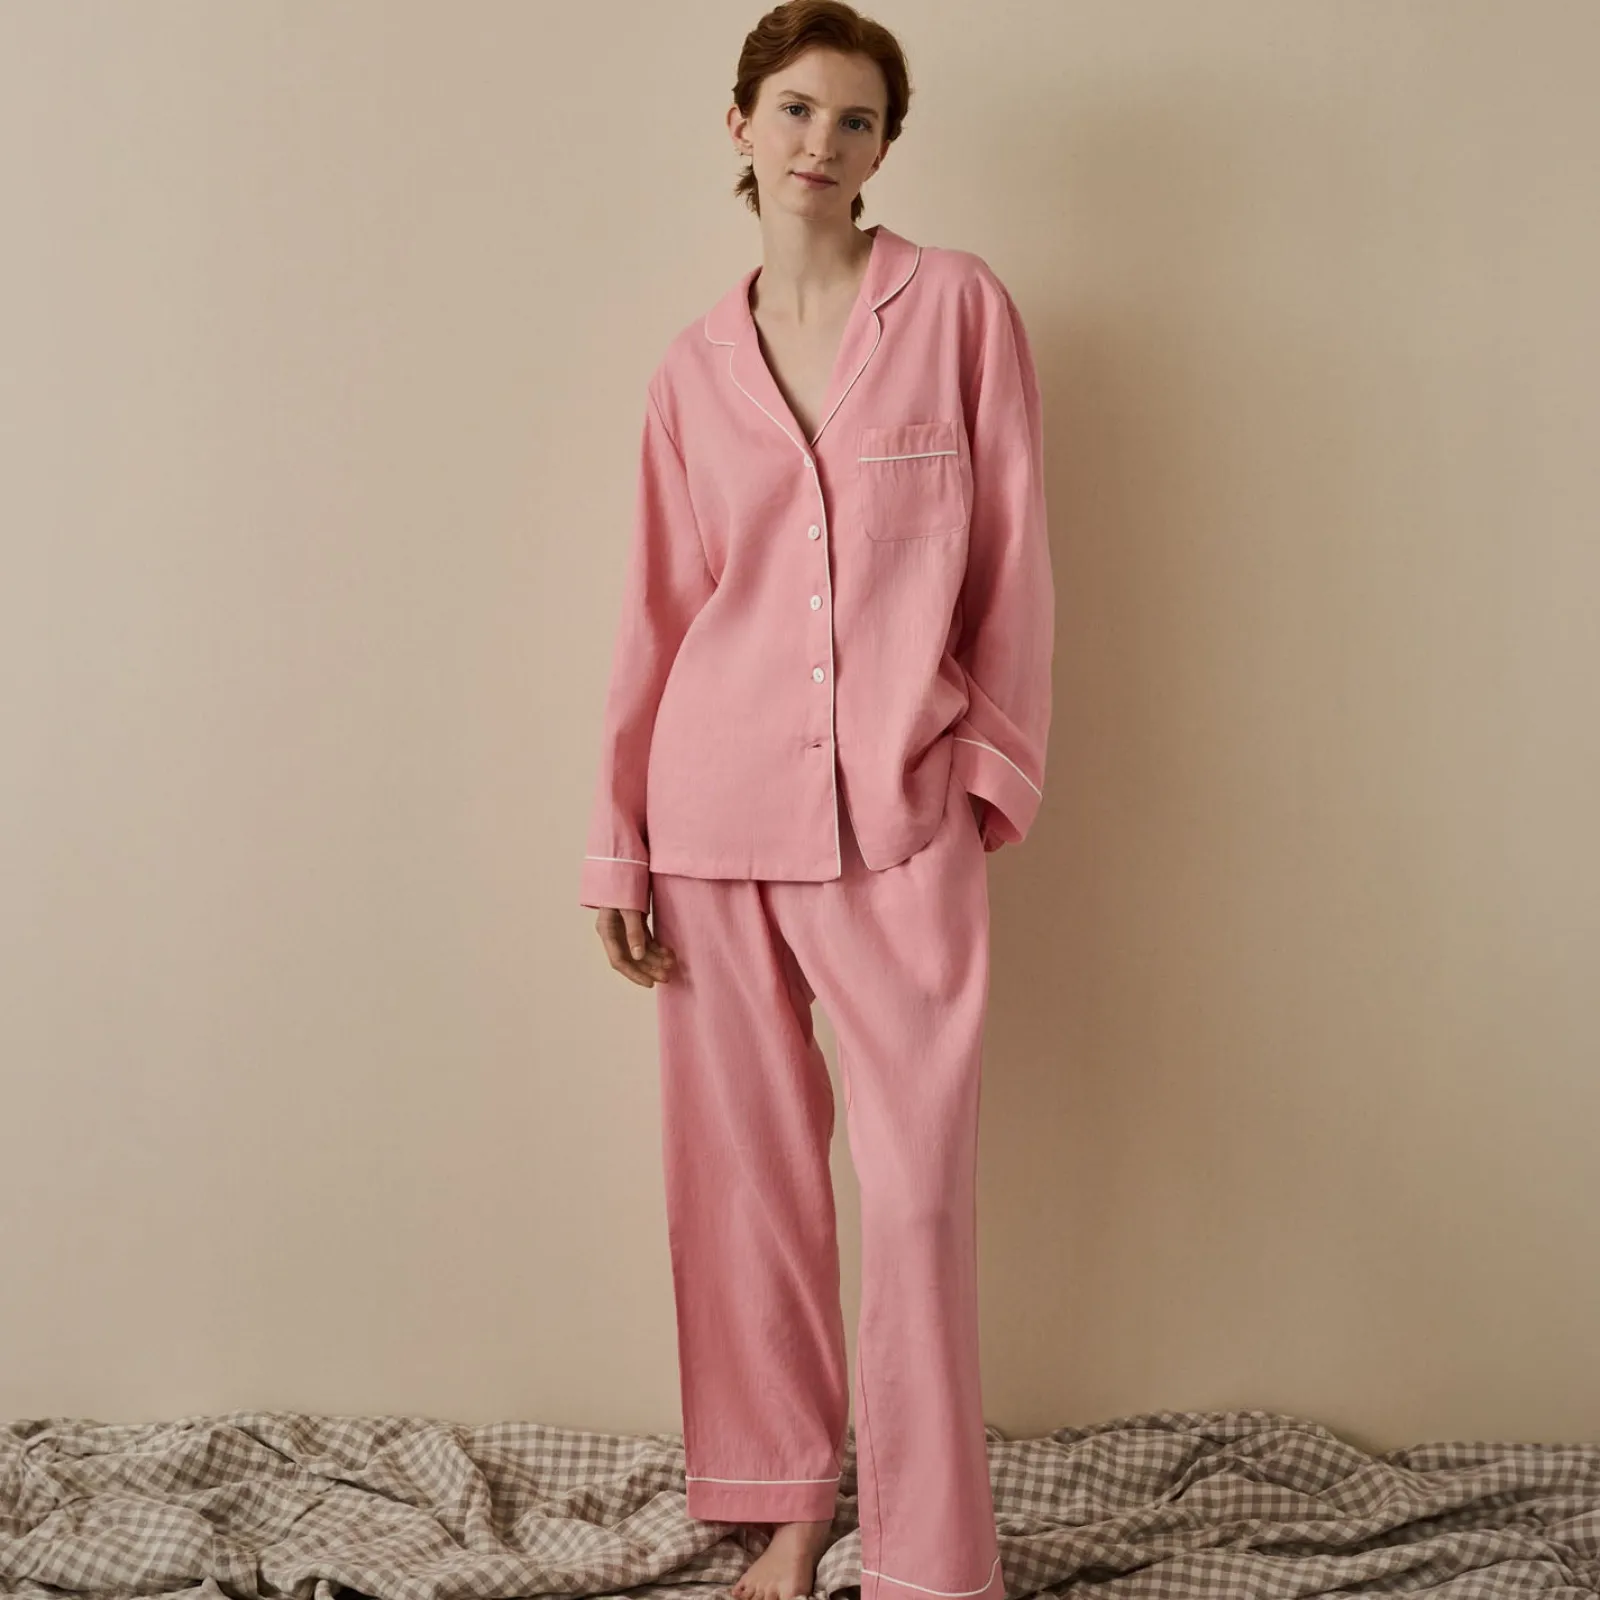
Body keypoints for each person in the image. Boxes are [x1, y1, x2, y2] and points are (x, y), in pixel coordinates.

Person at [579, 6, 1054, 1600]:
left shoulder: (958, 310)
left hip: (900, 817)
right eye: (794, 110)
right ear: (740, 126)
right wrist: (618, 842)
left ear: (883, 147)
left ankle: (931, 1557)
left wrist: (983, 774)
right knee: (749, 1192)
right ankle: (788, 1510)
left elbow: (1014, 559)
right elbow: (658, 611)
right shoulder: (690, 369)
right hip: (709, 816)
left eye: (855, 120)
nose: (821, 143)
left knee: (915, 1197)